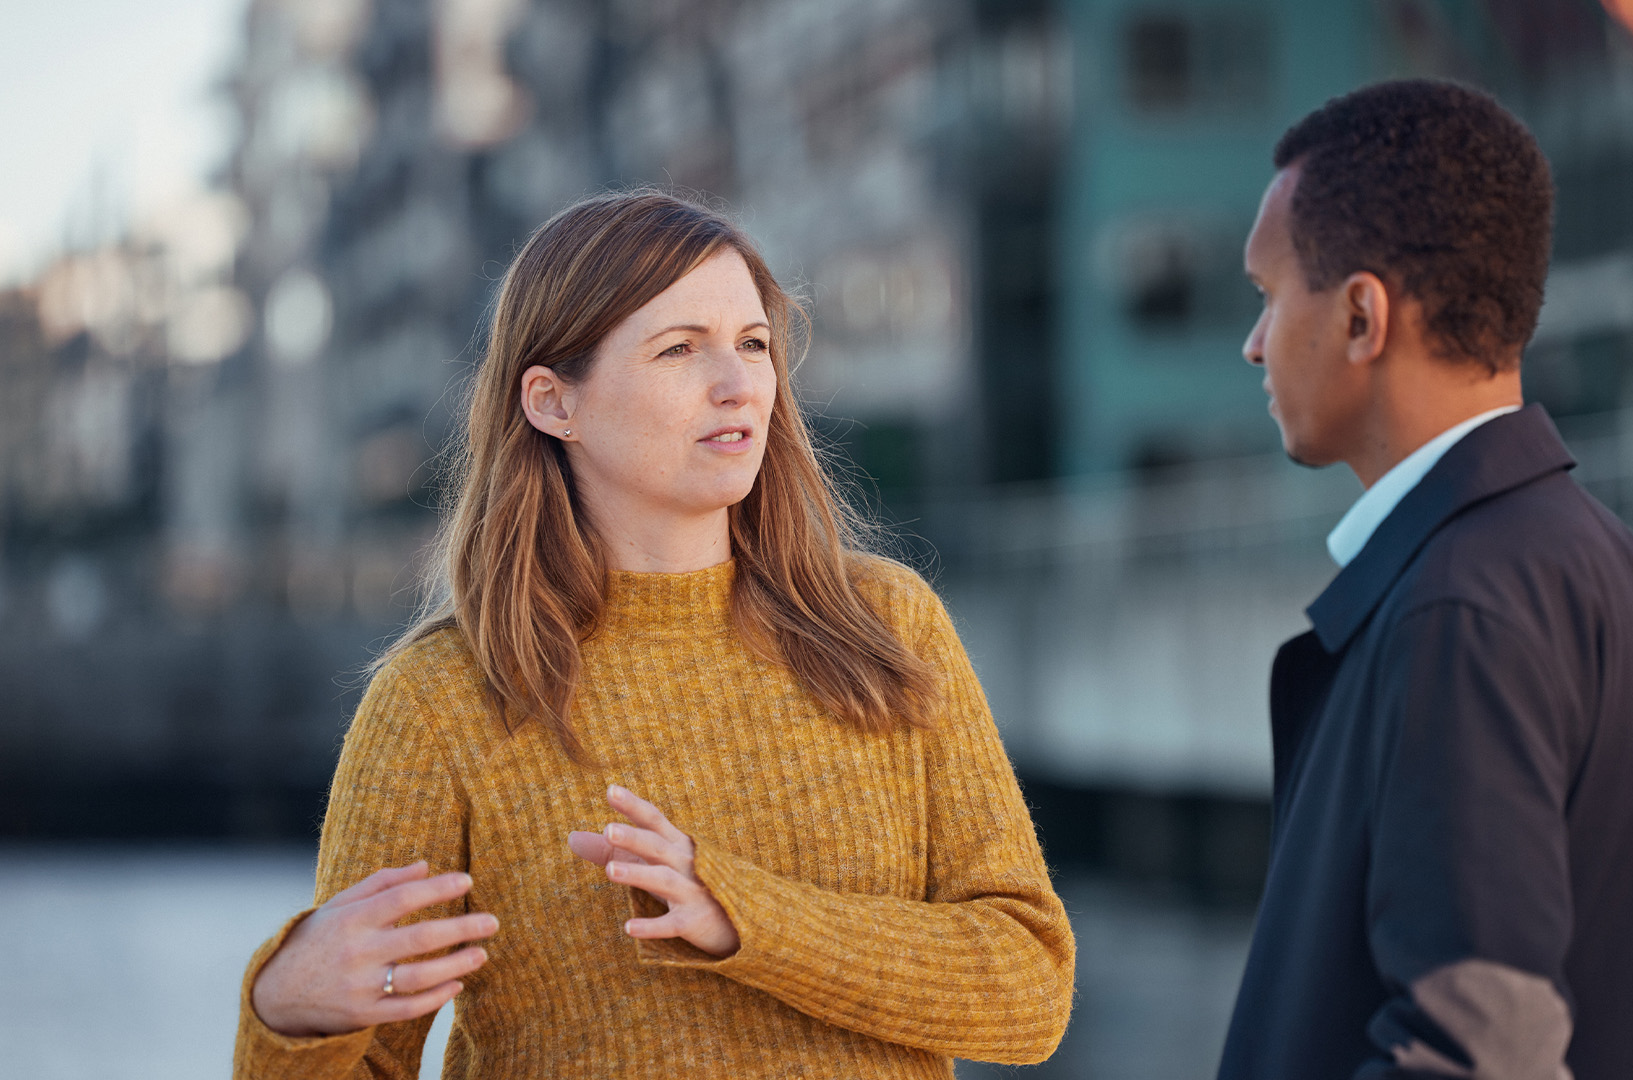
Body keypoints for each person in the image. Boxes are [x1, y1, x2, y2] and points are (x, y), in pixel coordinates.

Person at [233, 191, 1074, 1079]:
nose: (739, 382)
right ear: (554, 403)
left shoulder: (886, 626)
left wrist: (744, 916)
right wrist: (288, 1013)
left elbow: (1030, 992)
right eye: (679, 350)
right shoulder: (443, 701)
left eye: (753, 344)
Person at [1217, 80, 1633, 1079]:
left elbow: (1472, 1051)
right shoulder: (1609, 572)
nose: (1253, 342)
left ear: (1363, 315)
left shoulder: (1460, 607)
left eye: (1267, 295)